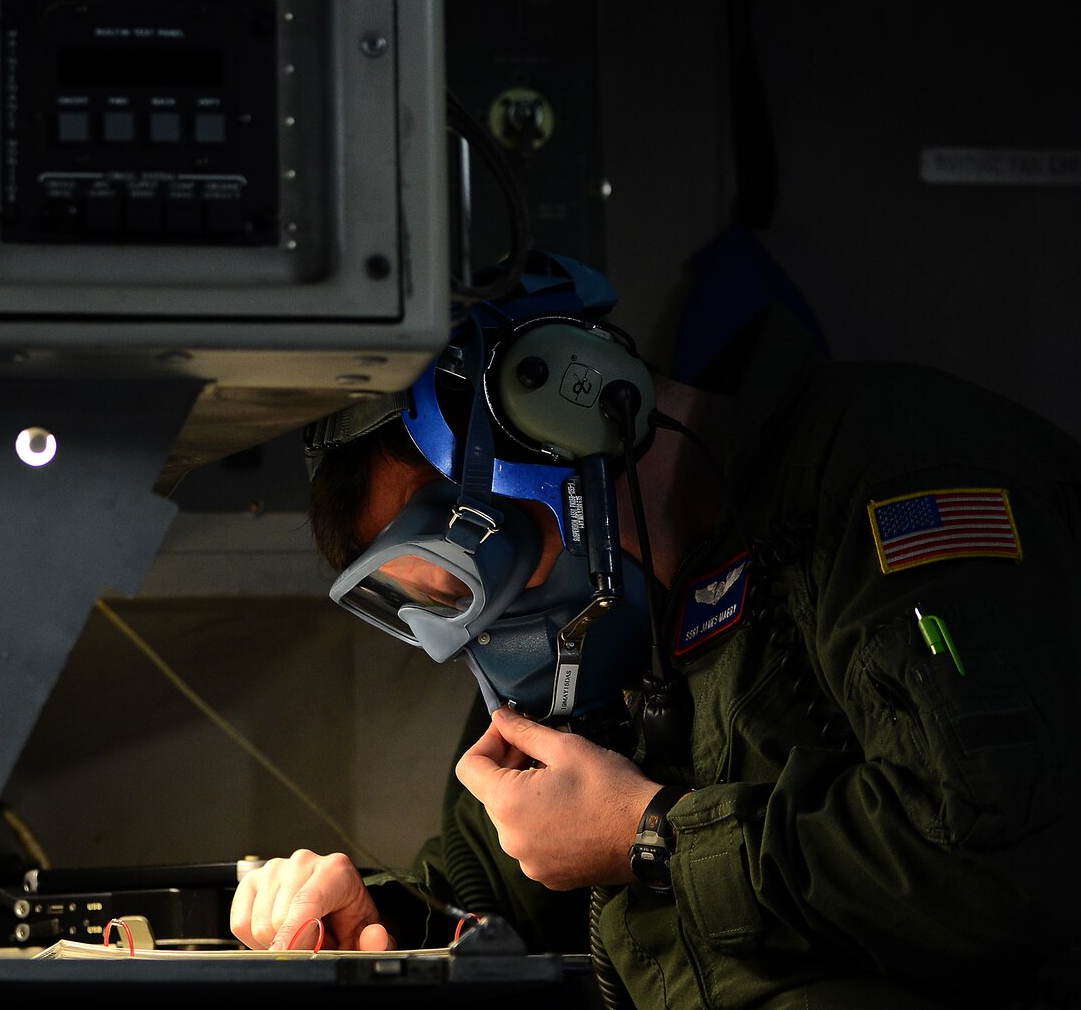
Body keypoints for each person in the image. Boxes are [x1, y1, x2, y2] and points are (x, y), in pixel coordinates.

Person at [230, 255, 1081, 1008]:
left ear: (559, 420)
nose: (487, 628)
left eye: (481, 559)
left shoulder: (893, 467)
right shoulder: (609, 621)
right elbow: (500, 887)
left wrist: (651, 834)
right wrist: (376, 915)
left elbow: (1005, 861)